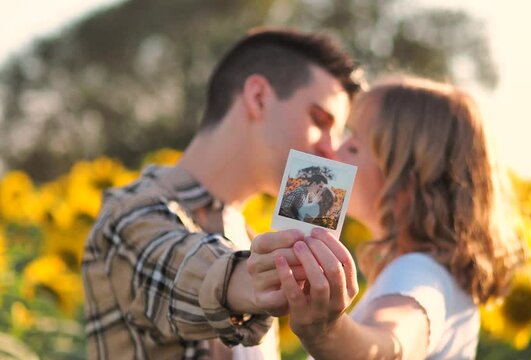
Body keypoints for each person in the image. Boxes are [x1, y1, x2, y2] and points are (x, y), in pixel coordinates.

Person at [82, 27, 361, 359]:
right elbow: (179, 266)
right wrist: (256, 281)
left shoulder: (249, 235)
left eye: (339, 133)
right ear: (258, 96)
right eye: (319, 120)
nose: (331, 149)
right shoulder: (129, 211)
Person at [249, 76, 526, 359]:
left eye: (354, 146)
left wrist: (326, 333)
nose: (334, 152)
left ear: (407, 183)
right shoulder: (430, 272)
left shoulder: (417, 273)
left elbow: (391, 346)